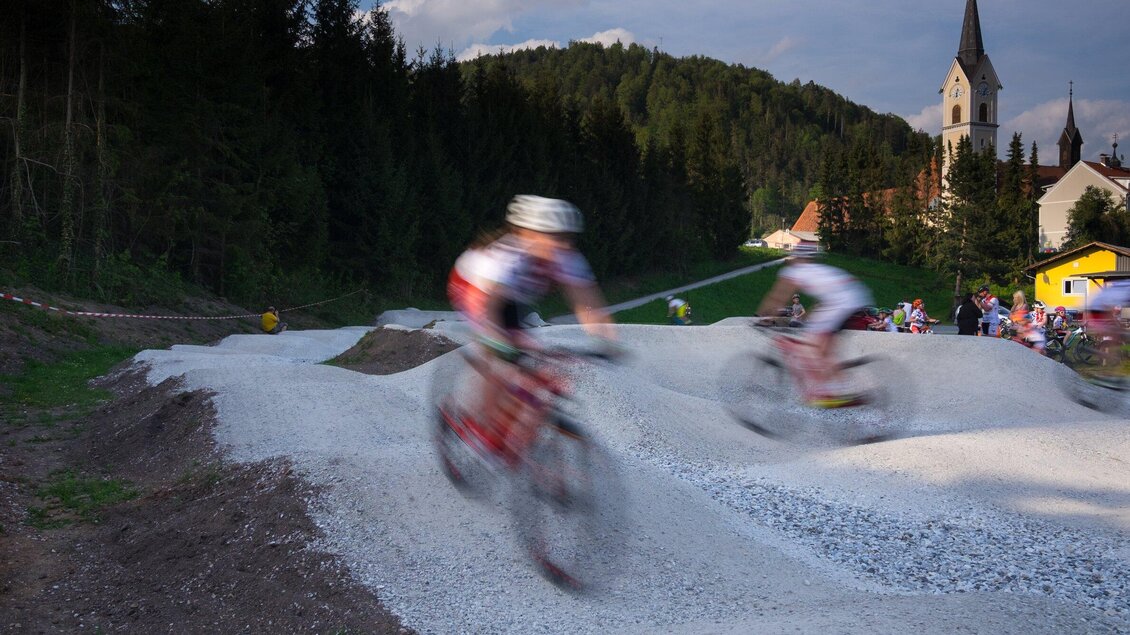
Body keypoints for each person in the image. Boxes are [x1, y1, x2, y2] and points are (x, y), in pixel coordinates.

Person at [447, 195, 617, 457]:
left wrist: (607, 340)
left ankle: (517, 426)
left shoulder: (567, 258)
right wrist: (496, 344)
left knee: (536, 360)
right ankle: (481, 425)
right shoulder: (507, 258)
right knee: (499, 357)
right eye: (555, 237)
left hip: (511, 299)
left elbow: (587, 303)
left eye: (567, 237)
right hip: (475, 291)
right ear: (529, 234)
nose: (563, 244)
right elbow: (489, 311)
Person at [754, 252, 874, 407]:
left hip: (843, 303)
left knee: (815, 341)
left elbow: (777, 298)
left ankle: (831, 390)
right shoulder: (816, 270)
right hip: (854, 298)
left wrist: (762, 316)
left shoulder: (794, 271)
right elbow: (825, 299)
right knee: (821, 345)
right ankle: (839, 386)